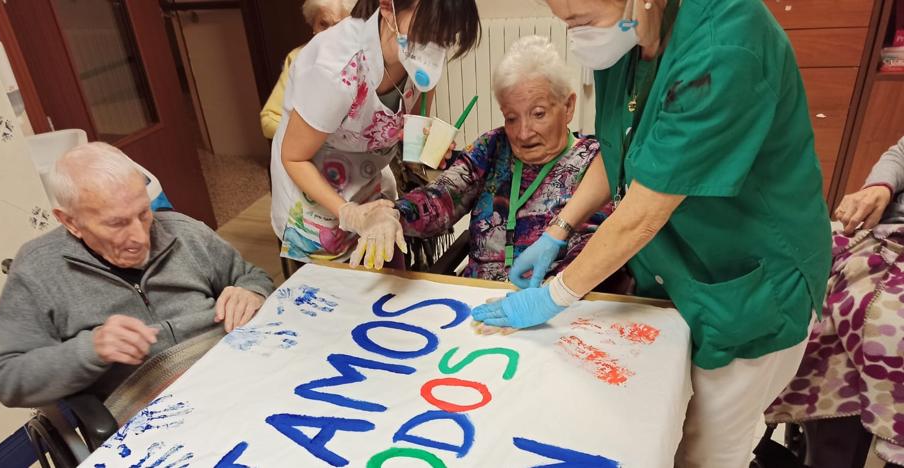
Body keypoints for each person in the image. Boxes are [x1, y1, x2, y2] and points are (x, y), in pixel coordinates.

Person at [472, 1, 832, 466]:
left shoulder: (725, 44)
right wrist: (560, 229)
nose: (576, 36)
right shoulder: (626, 37)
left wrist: (554, 295)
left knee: (707, 449)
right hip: (672, 272)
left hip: (751, 281)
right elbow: (620, 145)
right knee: (654, 427)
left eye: (580, 21)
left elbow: (645, 211)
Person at [0, 143, 274, 408]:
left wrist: (251, 290)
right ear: (70, 222)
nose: (140, 237)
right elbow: (7, 380)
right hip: (152, 409)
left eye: (143, 213)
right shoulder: (37, 271)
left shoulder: (185, 231)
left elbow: (251, 276)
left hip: (234, 374)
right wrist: (91, 349)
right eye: (117, 223)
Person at [354, 36, 609, 281]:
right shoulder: (493, 146)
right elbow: (441, 198)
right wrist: (393, 214)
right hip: (476, 295)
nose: (522, 132)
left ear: (568, 107)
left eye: (538, 114)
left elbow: (592, 250)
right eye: (511, 117)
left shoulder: (593, 161)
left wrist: (550, 293)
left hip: (547, 302)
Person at [270, 0, 481, 268]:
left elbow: (402, 123)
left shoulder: (420, 61)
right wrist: (349, 213)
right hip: (313, 195)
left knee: (388, 282)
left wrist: (421, 145)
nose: (435, 45)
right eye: (428, 30)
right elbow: (294, 158)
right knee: (334, 299)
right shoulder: (335, 68)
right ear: (387, 8)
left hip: (368, 180)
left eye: (446, 36)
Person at [765, 135, 904, 466]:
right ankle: (817, 443)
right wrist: (881, 187)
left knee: (879, 323)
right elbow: (899, 153)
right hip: (885, 234)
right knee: (796, 282)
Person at [259, 0, 358, 139]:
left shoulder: (366, 57)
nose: (330, 34)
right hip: (311, 152)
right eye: (323, 24)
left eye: (339, 26)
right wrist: (312, 138)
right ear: (313, 25)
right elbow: (269, 121)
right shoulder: (298, 58)